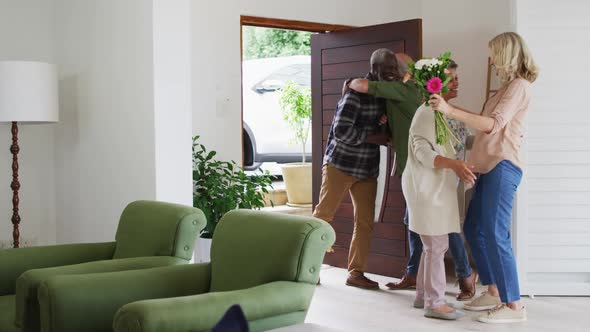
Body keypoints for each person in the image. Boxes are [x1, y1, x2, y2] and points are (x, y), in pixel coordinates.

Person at [429, 32, 538, 323]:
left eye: (494, 54)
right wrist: (445, 109)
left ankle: (514, 307)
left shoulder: (520, 86)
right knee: (474, 227)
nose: (491, 60)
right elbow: (482, 123)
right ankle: (492, 290)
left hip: (504, 166)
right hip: (487, 167)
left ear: (507, 54)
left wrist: (451, 109)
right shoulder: (501, 91)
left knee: (495, 233)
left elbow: (493, 125)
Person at [348, 58, 479, 301]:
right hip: (428, 184)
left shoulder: (448, 113)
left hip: (445, 183)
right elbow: (423, 152)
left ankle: (426, 291)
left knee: (435, 240)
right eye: (452, 79)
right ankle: (437, 297)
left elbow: (460, 142)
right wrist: (453, 164)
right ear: (434, 83)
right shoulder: (424, 109)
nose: (457, 83)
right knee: (435, 242)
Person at [312, 48, 392, 290]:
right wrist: (373, 136)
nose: (393, 75)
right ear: (375, 70)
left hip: (367, 167)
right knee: (323, 217)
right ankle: (308, 267)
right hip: (341, 163)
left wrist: (381, 129)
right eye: (389, 70)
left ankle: (356, 273)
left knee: (365, 222)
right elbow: (341, 131)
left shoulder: (386, 95)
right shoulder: (354, 95)